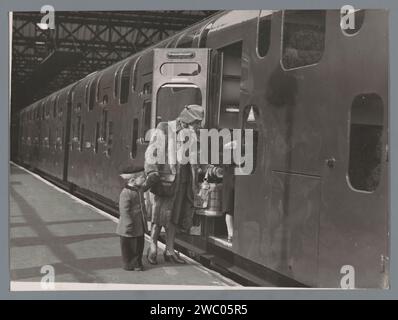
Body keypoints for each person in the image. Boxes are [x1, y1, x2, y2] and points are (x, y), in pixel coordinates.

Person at [145, 104, 204, 264]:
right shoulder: (165, 127)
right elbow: (151, 153)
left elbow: (195, 158)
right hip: (166, 182)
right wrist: (151, 172)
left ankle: (169, 250)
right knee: (158, 218)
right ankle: (152, 247)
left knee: (174, 219)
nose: (199, 126)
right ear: (187, 120)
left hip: (184, 181)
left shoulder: (193, 134)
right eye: (197, 122)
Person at [116, 168, 159, 271]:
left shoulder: (139, 189)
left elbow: (146, 186)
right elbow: (124, 210)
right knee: (128, 247)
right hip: (128, 227)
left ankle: (137, 264)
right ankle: (128, 264)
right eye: (142, 177)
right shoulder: (125, 193)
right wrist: (128, 224)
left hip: (139, 225)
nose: (144, 179)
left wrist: (153, 178)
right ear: (132, 180)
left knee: (139, 246)